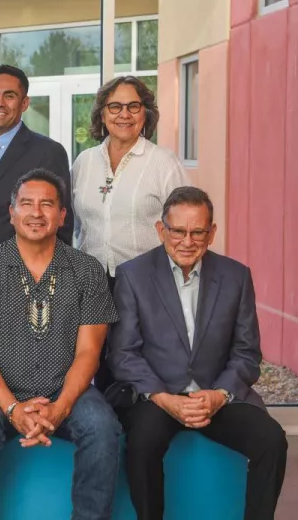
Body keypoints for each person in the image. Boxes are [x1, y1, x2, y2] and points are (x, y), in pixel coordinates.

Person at [108, 186, 288, 520]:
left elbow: (247, 352)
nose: (187, 241)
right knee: (142, 444)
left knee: (272, 440)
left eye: (198, 232)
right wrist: (163, 397)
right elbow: (123, 353)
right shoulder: (133, 276)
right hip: (159, 397)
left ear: (212, 232)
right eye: (178, 231)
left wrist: (220, 394)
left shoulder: (236, 276)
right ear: (161, 230)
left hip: (216, 395)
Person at [0, 168, 121, 520]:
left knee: (103, 428)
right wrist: (13, 409)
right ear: (11, 212)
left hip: (66, 390)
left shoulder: (87, 270)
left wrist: (60, 407)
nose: (36, 213)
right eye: (26, 204)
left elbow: (89, 352)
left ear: (62, 216)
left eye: (47, 205)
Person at [70, 75, 189, 391]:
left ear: (145, 113)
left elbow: (184, 225)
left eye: (133, 106)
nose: (124, 114)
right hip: (92, 283)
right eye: (116, 106)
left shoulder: (163, 163)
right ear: (102, 114)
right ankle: (107, 433)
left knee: (139, 369)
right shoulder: (84, 162)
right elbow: (77, 224)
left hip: (145, 284)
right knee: (97, 364)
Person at [0, 64, 74, 281]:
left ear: (24, 103)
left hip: (20, 281)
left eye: (9, 96)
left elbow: (60, 225)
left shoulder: (47, 152)